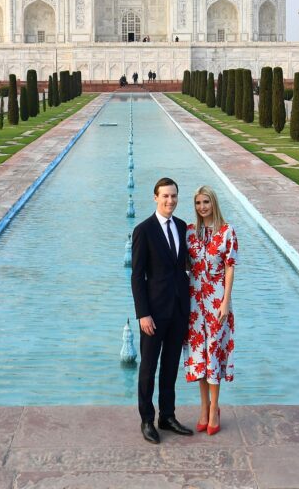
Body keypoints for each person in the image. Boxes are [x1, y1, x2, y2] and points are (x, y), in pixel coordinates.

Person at [130, 177, 194, 444]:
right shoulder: (144, 230)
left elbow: (185, 266)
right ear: (155, 198)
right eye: (165, 196)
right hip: (153, 314)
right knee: (148, 368)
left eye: (174, 196)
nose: (170, 201)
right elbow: (137, 276)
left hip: (178, 310)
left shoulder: (181, 227)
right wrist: (143, 314)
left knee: (170, 366)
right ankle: (147, 419)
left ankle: (167, 416)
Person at [184, 185, 238, 436]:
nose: (202, 207)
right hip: (195, 303)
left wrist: (226, 301)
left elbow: (229, 267)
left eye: (206, 202)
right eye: (198, 203)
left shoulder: (227, 232)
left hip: (217, 303)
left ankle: (215, 407)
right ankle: (203, 406)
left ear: (213, 203)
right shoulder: (190, 233)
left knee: (214, 353)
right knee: (199, 356)